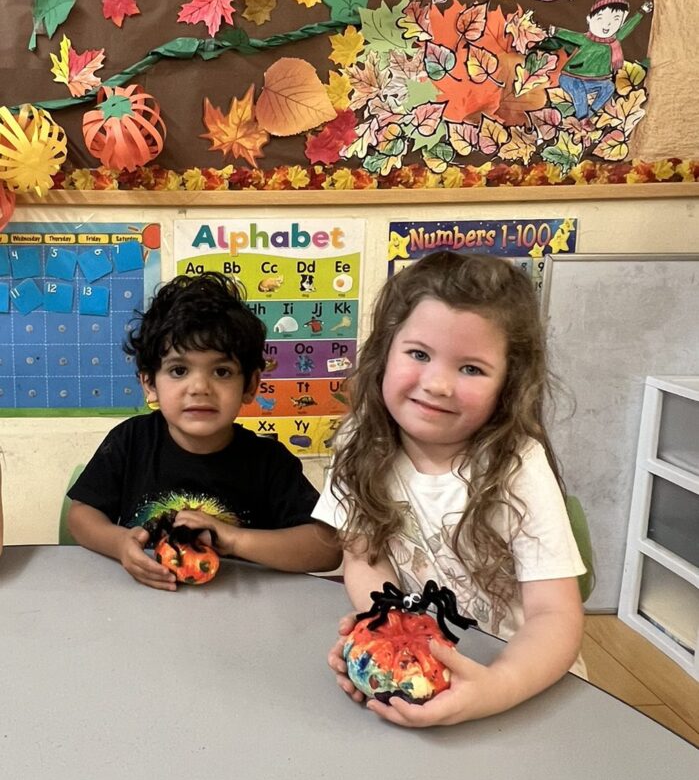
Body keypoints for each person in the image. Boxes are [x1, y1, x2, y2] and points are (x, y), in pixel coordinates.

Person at [314, 251, 587, 727]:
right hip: (424, 678)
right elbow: (363, 558)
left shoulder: (517, 464)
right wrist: (383, 631)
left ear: (508, 383)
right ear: (384, 352)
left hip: (521, 686)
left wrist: (496, 688)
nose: (438, 384)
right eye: (419, 354)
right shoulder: (359, 441)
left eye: (471, 369)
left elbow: (555, 616)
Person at [68, 272, 340, 589]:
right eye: (179, 370)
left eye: (222, 371)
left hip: (241, 606)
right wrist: (119, 543)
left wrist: (234, 539)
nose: (199, 387)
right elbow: (81, 515)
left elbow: (327, 548)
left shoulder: (269, 461)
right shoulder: (131, 441)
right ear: (149, 383)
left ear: (250, 385)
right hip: (145, 601)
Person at [549, 0, 653, 119]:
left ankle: (589, 115)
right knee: (579, 92)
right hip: (571, 77)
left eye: (615, 20)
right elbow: (570, 35)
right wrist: (556, 31)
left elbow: (629, 26)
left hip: (596, 80)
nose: (607, 25)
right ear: (590, 19)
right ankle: (582, 118)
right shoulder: (586, 39)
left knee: (609, 87)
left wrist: (641, 12)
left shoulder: (615, 40)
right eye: (601, 18)